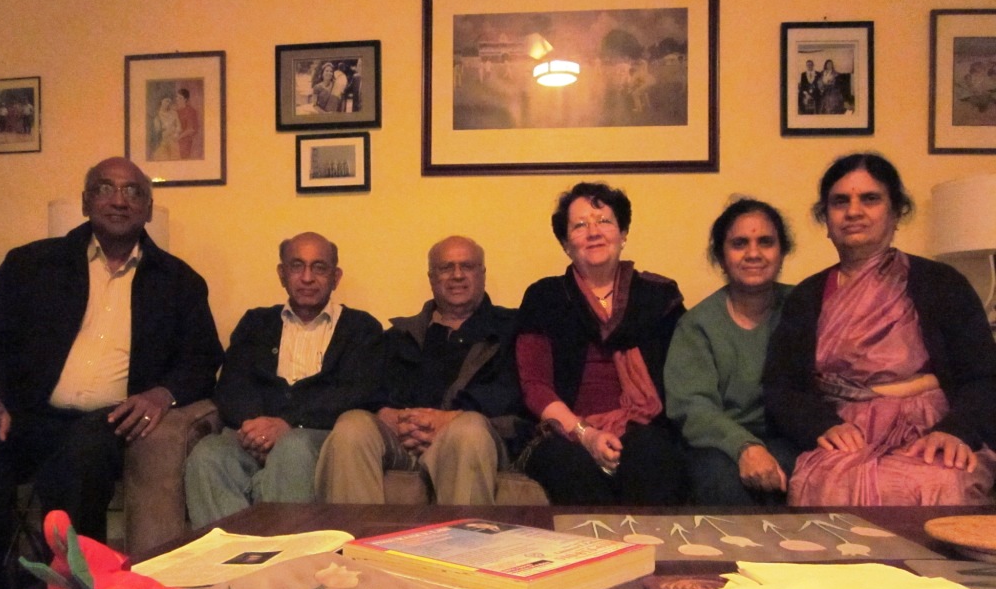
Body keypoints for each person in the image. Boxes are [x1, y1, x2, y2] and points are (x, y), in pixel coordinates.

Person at [0, 156, 223, 589]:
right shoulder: (30, 264)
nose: (119, 200)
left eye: (132, 192)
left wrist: (161, 394)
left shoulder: (178, 281)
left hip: (104, 422)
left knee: (82, 457)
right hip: (25, 412)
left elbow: (202, 360)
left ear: (148, 208)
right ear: (87, 201)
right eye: (106, 188)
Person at [764, 152, 996, 506]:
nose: (853, 211)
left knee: (939, 482)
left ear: (896, 212)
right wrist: (824, 426)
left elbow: (983, 377)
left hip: (932, 430)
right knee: (826, 481)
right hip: (848, 435)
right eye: (840, 202)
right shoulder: (807, 296)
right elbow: (782, 388)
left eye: (870, 199)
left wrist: (955, 432)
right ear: (826, 219)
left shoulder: (942, 283)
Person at [185, 233, 382, 527]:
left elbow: (360, 392)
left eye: (319, 268)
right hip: (251, 432)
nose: (307, 277)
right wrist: (259, 429)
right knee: (207, 455)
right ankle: (235, 551)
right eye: (296, 266)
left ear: (336, 277)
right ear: (282, 274)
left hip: (315, 434)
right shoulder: (256, 322)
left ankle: (282, 549)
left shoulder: (361, 327)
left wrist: (288, 423)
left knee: (292, 448)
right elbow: (231, 385)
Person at [314, 236, 522, 505]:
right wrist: (388, 414)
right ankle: (355, 531)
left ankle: (466, 534)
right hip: (404, 443)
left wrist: (451, 419)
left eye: (467, 266)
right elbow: (368, 390)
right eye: (446, 268)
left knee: (467, 430)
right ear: (431, 278)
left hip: (476, 438)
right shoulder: (400, 335)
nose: (457, 275)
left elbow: (515, 393)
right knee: (352, 426)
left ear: (482, 273)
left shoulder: (511, 328)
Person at [515, 181, 687, 505]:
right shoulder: (544, 297)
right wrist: (586, 434)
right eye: (580, 225)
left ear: (623, 234)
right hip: (565, 431)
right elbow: (535, 386)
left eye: (604, 221)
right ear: (566, 244)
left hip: (644, 425)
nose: (593, 232)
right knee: (570, 466)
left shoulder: (658, 296)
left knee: (652, 455)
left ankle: (644, 542)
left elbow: (683, 378)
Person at [665, 198, 798, 505]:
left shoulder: (803, 307)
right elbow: (693, 408)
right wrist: (745, 447)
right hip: (719, 445)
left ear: (782, 252)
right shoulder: (697, 325)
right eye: (740, 244)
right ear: (721, 257)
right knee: (723, 484)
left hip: (790, 439)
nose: (753, 253)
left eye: (765, 242)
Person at [175, 88, 199, 159]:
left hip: (185, 141)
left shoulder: (190, 111)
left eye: (180, 98)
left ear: (185, 99)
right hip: (174, 140)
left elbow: (191, 129)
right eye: (177, 97)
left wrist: (179, 138)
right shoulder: (175, 111)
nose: (177, 99)